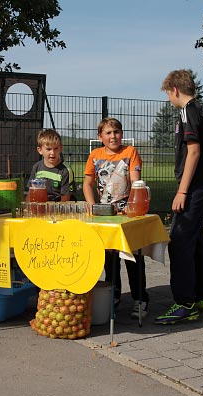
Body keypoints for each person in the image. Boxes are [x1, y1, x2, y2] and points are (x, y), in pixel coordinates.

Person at [155, 69, 203, 324]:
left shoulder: (187, 110)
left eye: (169, 94)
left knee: (179, 242)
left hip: (194, 189)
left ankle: (184, 303)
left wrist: (182, 191)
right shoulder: (200, 109)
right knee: (197, 239)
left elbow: (193, 152)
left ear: (175, 90)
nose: (169, 99)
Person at [83, 117, 149, 318]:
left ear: (121, 134)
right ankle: (114, 295)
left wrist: (133, 205)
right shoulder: (95, 155)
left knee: (133, 258)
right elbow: (87, 183)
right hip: (104, 217)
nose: (113, 136)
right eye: (108, 133)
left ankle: (140, 299)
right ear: (100, 137)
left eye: (116, 132)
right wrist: (92, 205)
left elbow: (135, 182)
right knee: (109, 261)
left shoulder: (130, 153)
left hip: (127, 216)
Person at [27, 129, 73, 201]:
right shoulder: (36, 167)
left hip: (58, 208)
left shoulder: (66, 170)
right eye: (48, 149)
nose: (52, 152)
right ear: (40, 150)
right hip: (40, 206)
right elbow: (30, 192)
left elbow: (65, 199)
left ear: (61, 148)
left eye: (56, 148)